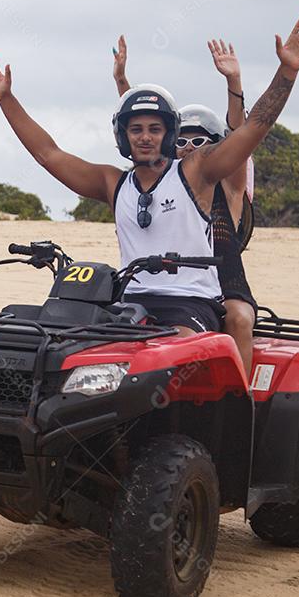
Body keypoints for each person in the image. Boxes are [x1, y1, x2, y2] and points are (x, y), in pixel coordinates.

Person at [0, 13, 299, 345]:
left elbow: (253, 129)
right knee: (68, 341)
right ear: (123, 137)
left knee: (171, 349)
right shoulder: (113, 182)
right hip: (129, 301)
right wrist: (6, 99)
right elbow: (49, 154)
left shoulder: (196, 171)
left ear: (169, 134)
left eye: (155, 129)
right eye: (136, 129)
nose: (145, 137)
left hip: (191, 304)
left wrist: (286, 71)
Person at [112, 36, 257, 373]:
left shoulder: (227, 185)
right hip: (166, 279)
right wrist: (122, 82)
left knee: (237, 317)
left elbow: (240, 135)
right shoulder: (170, 181)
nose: (188, 147)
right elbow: (141, 128)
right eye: (182, 140)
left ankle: (240, 393)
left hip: (223, 281)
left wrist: (233, 83)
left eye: (199, 141)